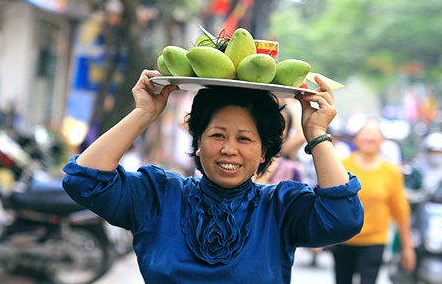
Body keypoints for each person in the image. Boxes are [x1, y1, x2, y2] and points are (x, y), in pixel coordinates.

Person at [62, 69, 364, 283]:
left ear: (264, 152)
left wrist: (316, 133)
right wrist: (143, 113)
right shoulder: (159, 195)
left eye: (244, 139)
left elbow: (344, 218)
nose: (229, 149)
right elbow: (84, 180)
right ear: (198, 142)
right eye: (217, 135)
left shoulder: (281, 207)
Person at [331, 119, 415, 284]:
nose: (369, 138)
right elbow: (332, 202)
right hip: (343, 239)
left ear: (382, 140)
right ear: (356, 138)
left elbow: (400, 211)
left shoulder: (391, 172)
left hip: (375, 241)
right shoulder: (342, 165)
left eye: (374, 135)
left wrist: (407, 248)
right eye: (365, 134)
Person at [405, 132, 442, 205]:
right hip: (420, 212)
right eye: (433, 152)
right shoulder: (417, 171)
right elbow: (405, 192)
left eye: (440, 152)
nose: (437, 156)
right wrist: (416, 196)